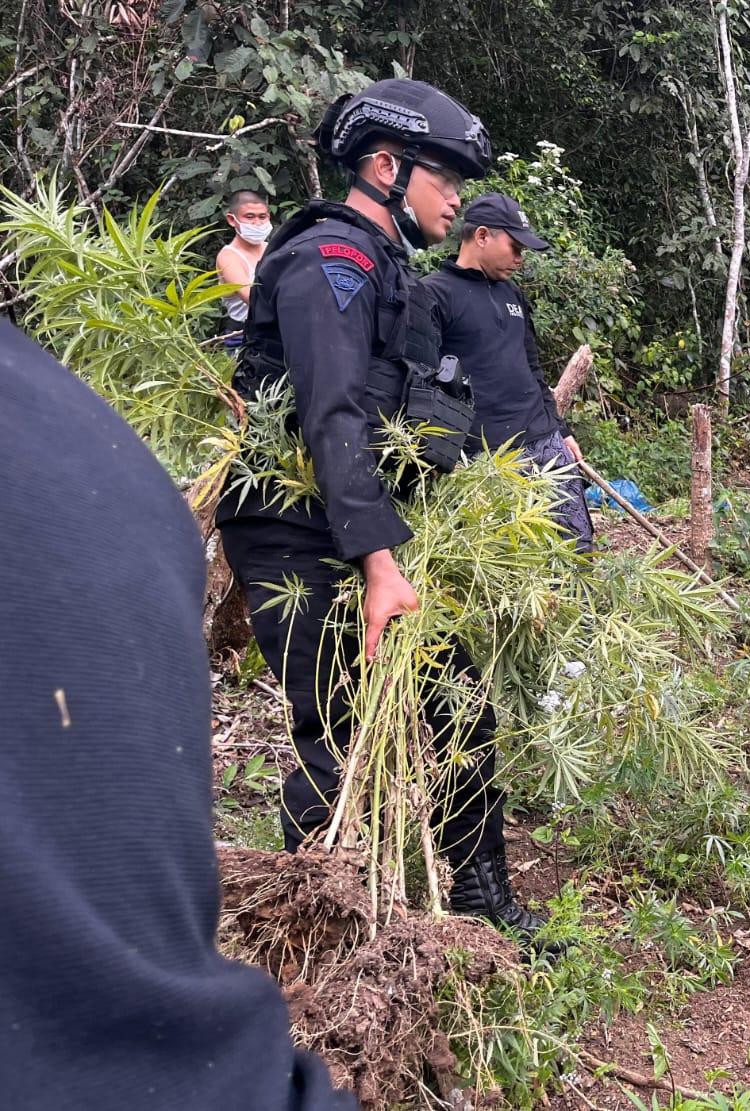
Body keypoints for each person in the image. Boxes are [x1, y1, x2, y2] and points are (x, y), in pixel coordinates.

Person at [220, 79, 554, 946]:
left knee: (459, 702)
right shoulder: (331, 260)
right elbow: (331, 413)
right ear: (384, 166)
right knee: (330, 729)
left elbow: (390, 416)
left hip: (367, 525)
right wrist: (377, 564)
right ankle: (319, 938)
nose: (455, 197)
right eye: (443, 177)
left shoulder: (389, 270)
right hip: (302, 531)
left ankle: (483, 904)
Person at [0, 320, 353, 1109]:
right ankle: (317, 874)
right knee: (324, 713)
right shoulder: (87, 459)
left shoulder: (86, 461)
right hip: (304, 530)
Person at [424, 192, 594, 550]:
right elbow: (423, 383)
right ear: (482, 236)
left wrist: (561, 430)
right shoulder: (434, 295)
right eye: (515, 247)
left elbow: (532, 366)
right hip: (485, 456)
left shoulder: (512, 294)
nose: (520, 259)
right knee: (512, 561)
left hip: (543, 439)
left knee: (576, 549)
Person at [216, 189, 272, 349]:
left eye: (262, 216)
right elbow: (252, 298)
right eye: (249, 217)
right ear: (232, 220)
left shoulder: (272, 249)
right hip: (243, 336)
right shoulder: (228, 257)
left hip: (274, 332)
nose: (257, 223)